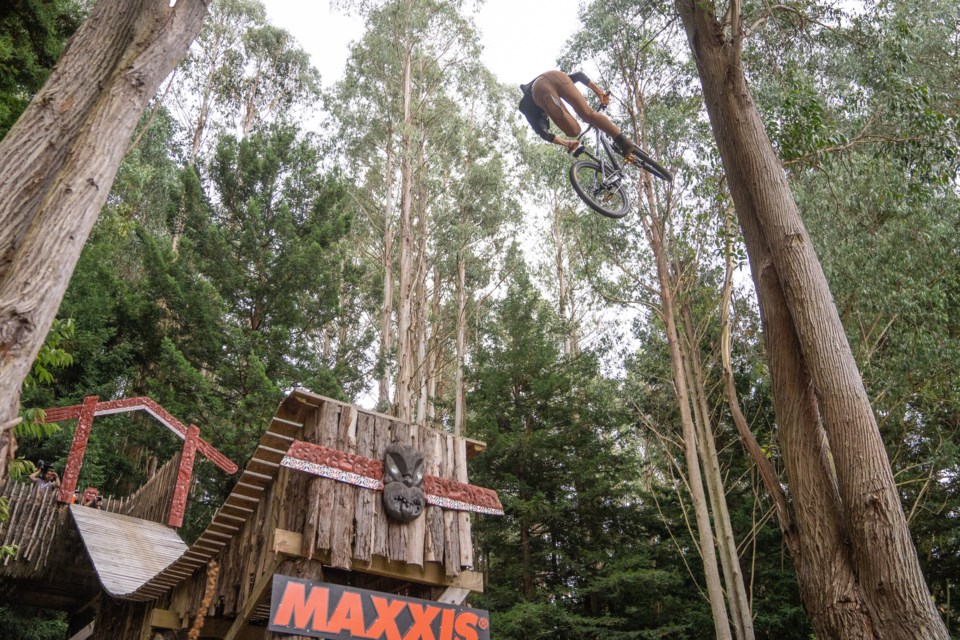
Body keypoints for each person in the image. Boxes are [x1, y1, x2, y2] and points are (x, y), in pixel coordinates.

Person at [518, 70, 638, 155]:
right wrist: (599, 93)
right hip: (555, 75)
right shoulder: (531, 110)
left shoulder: (530, 112)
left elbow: (545, 135)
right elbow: (580, 76)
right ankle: (622, 140)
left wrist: (568, 143)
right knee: (589, 115)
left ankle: (555, 106)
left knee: (574, 131)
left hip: (539, 89)